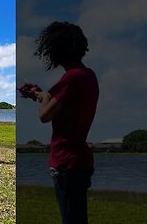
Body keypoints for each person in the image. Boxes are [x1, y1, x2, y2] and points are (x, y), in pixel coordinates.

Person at [18, 21, 99, 224]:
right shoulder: (88, 76)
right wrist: (39, 94)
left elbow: (45, 115)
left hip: (67, 163)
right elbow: (56, 103)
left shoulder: (71, 78)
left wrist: (42, 96)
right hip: (80, 160)